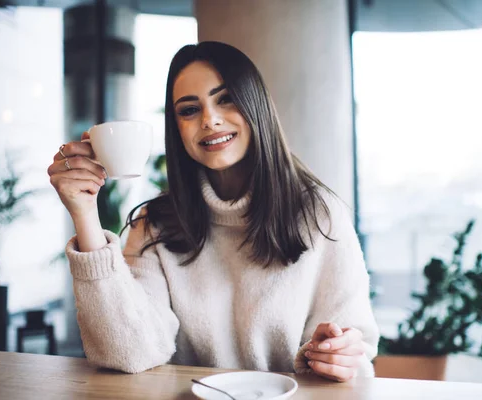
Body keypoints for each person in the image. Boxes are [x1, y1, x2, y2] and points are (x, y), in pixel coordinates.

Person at [47, 41, 379, 382]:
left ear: (256, 105)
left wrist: (336, 354)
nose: (210, 120)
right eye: (189, 110)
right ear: (176, 128)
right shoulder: (154, 225)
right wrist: (85, 212)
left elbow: (356, 352)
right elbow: (128, 351)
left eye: (226, 99)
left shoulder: (320, 215)